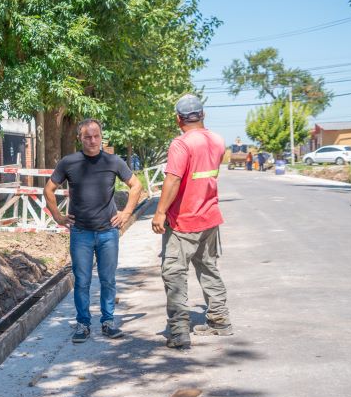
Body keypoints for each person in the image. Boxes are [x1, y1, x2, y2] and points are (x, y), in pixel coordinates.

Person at [44, 119, 143, 343]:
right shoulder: (69, 162)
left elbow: (136, 186)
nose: (92, 140)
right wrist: (57, 216)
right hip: (81, 233)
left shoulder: (113, 161)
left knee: (108, 280)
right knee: (82, 281)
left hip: (108, 232)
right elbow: (49, 189)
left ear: (101, 137)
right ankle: (83, 324)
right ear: (79, 138)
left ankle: (108, 322)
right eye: (87, 136)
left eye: (96, 136)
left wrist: (127, 213)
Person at [151, 94, 232, 350]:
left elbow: (173, 179)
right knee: (208, 268)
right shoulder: (217, 140)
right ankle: (220, 320)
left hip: (183, 221)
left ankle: (179, 332)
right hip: (209, 217)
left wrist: (160, 212)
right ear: (203, 115)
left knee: (174, 273)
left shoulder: (181, 144)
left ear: (178, 119)